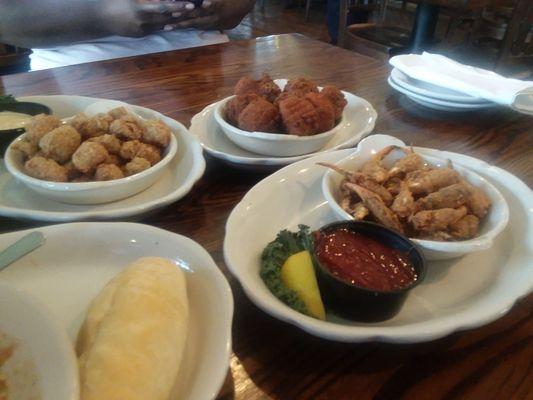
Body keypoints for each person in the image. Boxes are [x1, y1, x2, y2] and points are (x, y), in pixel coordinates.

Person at [0, 0, 255, 70]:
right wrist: (102, 15)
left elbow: (240, 5)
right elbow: (6, 18)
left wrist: (226, 8)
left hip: (207, 68)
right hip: (75, 75)